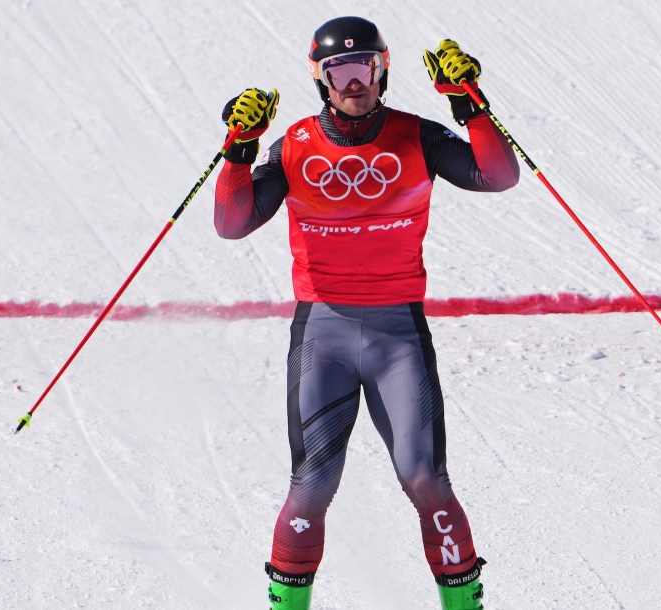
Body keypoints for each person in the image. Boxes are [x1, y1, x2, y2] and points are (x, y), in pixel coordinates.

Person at [214, 15, 519, 610]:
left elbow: (498, 175)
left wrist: (469, 103)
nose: (353, 83)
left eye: (364, 69)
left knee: (424, 477)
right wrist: (239, 150)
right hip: (322, 331)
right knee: (313, 485)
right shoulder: (295, 145)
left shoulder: (418, 136)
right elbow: (232, 224)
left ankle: (464, 603)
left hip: (396, 332)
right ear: (321, 79)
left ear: (382, 70)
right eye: (340, 72)